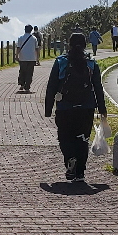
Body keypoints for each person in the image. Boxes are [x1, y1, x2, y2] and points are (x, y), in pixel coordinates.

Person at [45, 32, 106, 182]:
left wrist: (48, 108)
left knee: (65, 137)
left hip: (65, 107)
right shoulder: (91, 63)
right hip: (86, 107)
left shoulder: (61, 62)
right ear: (86, 45)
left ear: (69, 44)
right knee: (83, 138)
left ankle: (70, 159)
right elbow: (98, 87)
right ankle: (80, 172)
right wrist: (102, 109)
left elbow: (51, 86)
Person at [15, 24, 39, 92]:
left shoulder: (20, 38)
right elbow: (36, 49)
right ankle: (27, 86)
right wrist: (37, 58)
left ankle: (22, 84)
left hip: (23, 58)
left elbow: (18, 47)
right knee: (29, 72)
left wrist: (16, 55)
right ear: (31, 30)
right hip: (32, 58)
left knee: (22, 71)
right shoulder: (34, 38)